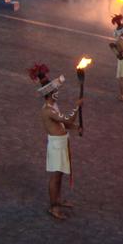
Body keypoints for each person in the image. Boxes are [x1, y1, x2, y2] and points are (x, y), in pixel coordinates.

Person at [30, 64, 82, 221]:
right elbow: (67, 119)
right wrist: (77, 108)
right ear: (49, 94)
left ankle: (57, 200)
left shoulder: (54, 106)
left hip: (61, 143)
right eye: (54, 91)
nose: (57, 92)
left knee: (59, 176)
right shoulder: (48, 110)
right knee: (55, 176)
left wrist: (76, 127)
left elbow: (65, 124)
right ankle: (53, 207)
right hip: (56, 146)